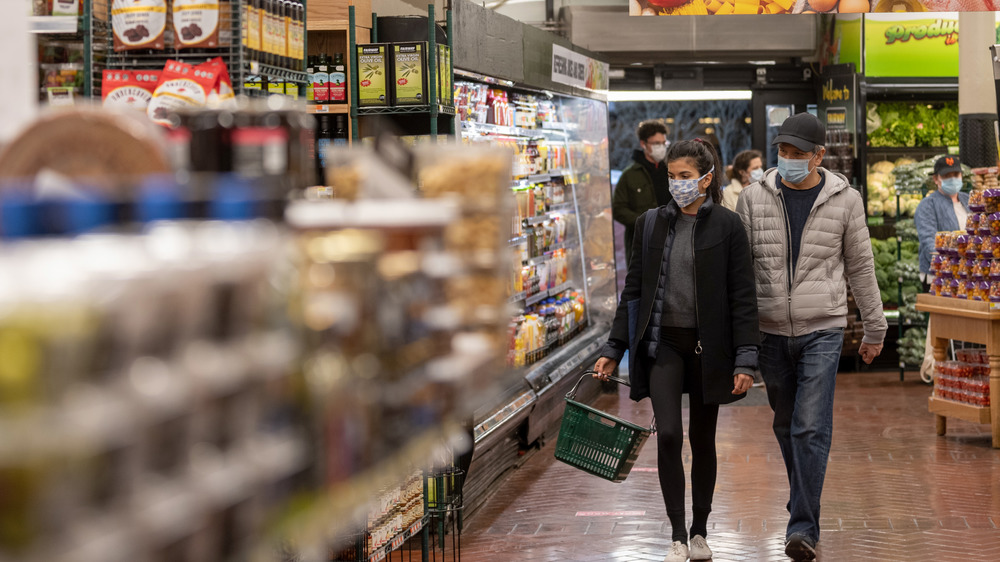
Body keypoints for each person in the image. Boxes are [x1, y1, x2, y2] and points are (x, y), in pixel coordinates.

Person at [594, 139, 759, 562]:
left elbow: (743, 296)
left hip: (709, 349)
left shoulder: (727, 226)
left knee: (703, 439)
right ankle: (677, 535)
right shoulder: (651, 223)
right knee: (668, 435)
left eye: (685, 176)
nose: (677, 184)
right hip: (662, 344)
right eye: (671, 176)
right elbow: (633, 291)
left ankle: (701, 531)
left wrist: (745, 358)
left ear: (707, 178)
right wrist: (615, 347)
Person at [735, 112, 887, 561]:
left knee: (808, 427)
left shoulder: (846, 200)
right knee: (785, 425)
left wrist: (875, 326)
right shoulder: (752, 198)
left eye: (798, 154)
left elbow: (860, 266)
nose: (788, 160)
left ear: (820, 155)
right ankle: (803, 495)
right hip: (769, 331)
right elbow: (739, 273)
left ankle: (802, 527)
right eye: (783, 151)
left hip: (824, 327)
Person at [914, 155, 970, 381]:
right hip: (939, 275)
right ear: (936, 179)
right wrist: (950, 263)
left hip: (969, 276)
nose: (952, 179)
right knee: (940, 324)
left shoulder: (968, 200)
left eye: (955, 175)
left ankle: (960, 369)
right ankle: (934, 370)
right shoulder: (928, 205)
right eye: (947, 176)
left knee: (964, 323)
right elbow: (929, 241)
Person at [613, 120, 672, 265]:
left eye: (663, 143)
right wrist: (645, 222)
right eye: (656, 143)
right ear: (643, 144)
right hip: (642, 244)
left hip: (671, 240)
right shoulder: (630, 175)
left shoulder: (671, 171)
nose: (661, 147)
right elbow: (618, 209)